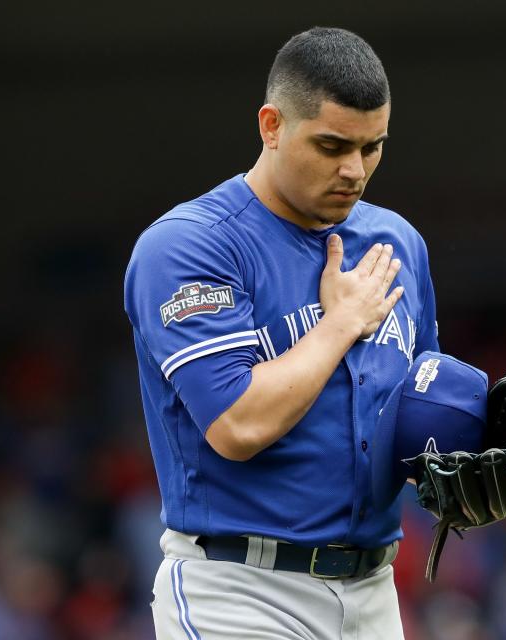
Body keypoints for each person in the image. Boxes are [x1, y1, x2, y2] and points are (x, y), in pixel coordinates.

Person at [123, 26, 439, 639]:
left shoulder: (396, 242)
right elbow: (238, 425)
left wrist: (468, 442)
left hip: (375, 591)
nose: (355, 169)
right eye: (331, 145)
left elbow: (417, 407)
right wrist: (340, 324)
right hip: (241, 591)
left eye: (373, 147)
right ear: (271, 126)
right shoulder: (190, 246)